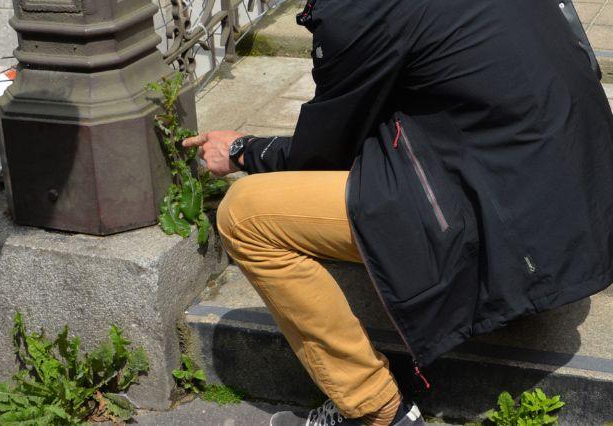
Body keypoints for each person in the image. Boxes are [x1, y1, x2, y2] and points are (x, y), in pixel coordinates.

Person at [184, 0, 613, 425]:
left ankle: (375, 411)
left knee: (245, 216)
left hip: (517, 236)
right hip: (582, 211)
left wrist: (244, 151)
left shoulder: (356, 9)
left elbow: (324, 150)